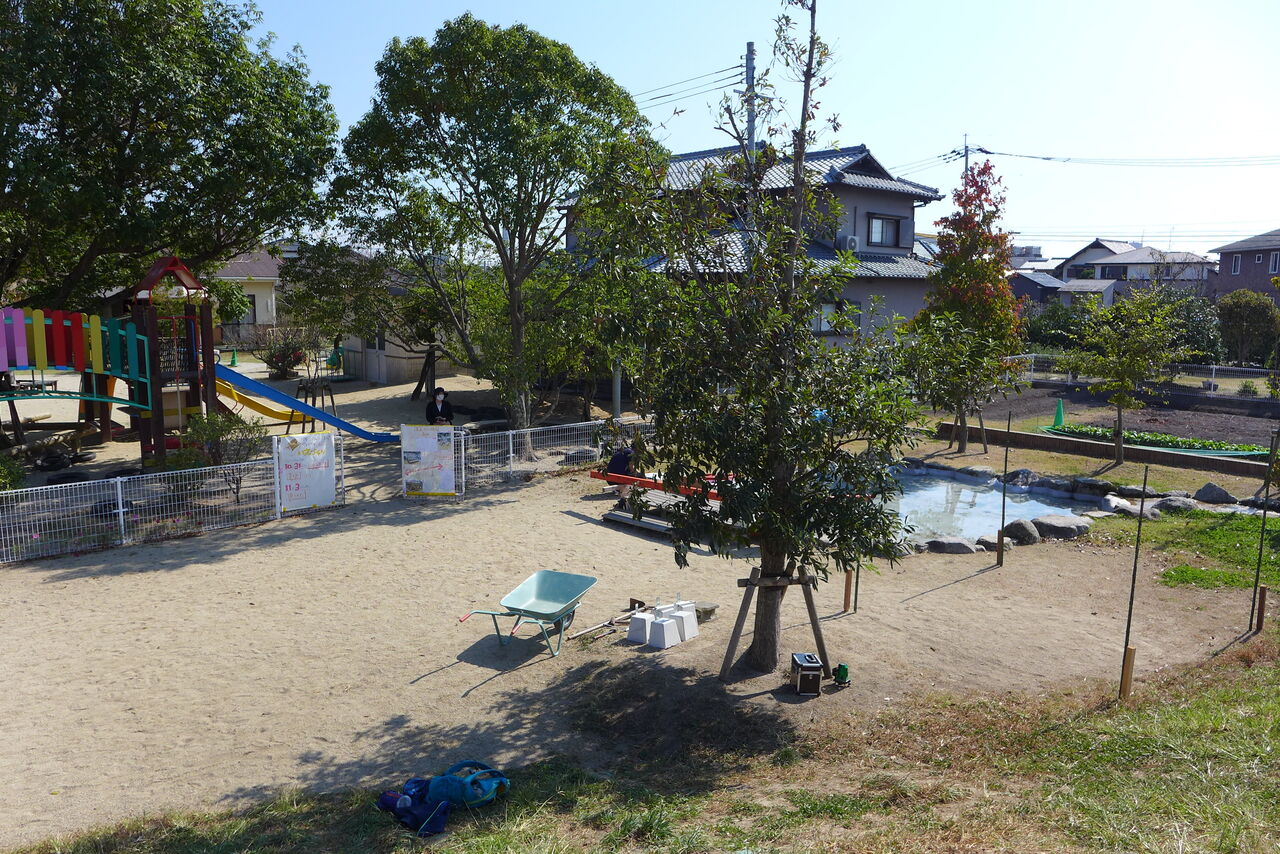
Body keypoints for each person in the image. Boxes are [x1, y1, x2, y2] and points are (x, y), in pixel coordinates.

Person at [606, 445, 635, 510]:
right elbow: (632, 468)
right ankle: (623, 492)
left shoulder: (623, 450)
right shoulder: (632, 454)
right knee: (634, 477)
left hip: (609, 479)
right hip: (617, 480)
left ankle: (618, 490)